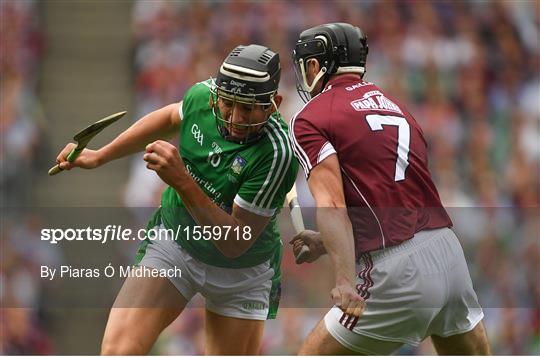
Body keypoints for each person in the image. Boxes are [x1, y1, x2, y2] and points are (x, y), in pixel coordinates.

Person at [55, 44, 298, 355]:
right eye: (228, 104)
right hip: (177, 242)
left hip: (241, 272)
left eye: (248, 108)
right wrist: (102, 156)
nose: (236, 118)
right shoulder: (201, 96)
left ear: (273, 104)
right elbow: (171, 117)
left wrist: (182, 180)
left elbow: (235, 243)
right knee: (118, 351)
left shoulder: (276, 154)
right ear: (215, 95)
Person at [288, 23, 491, 355]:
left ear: (316, 66)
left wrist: (343, 279)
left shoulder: (311, 117)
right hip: (449, 255)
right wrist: (327, 243)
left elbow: (334, 205)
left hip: (395, 272)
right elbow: (393, 201)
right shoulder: (396, 105)